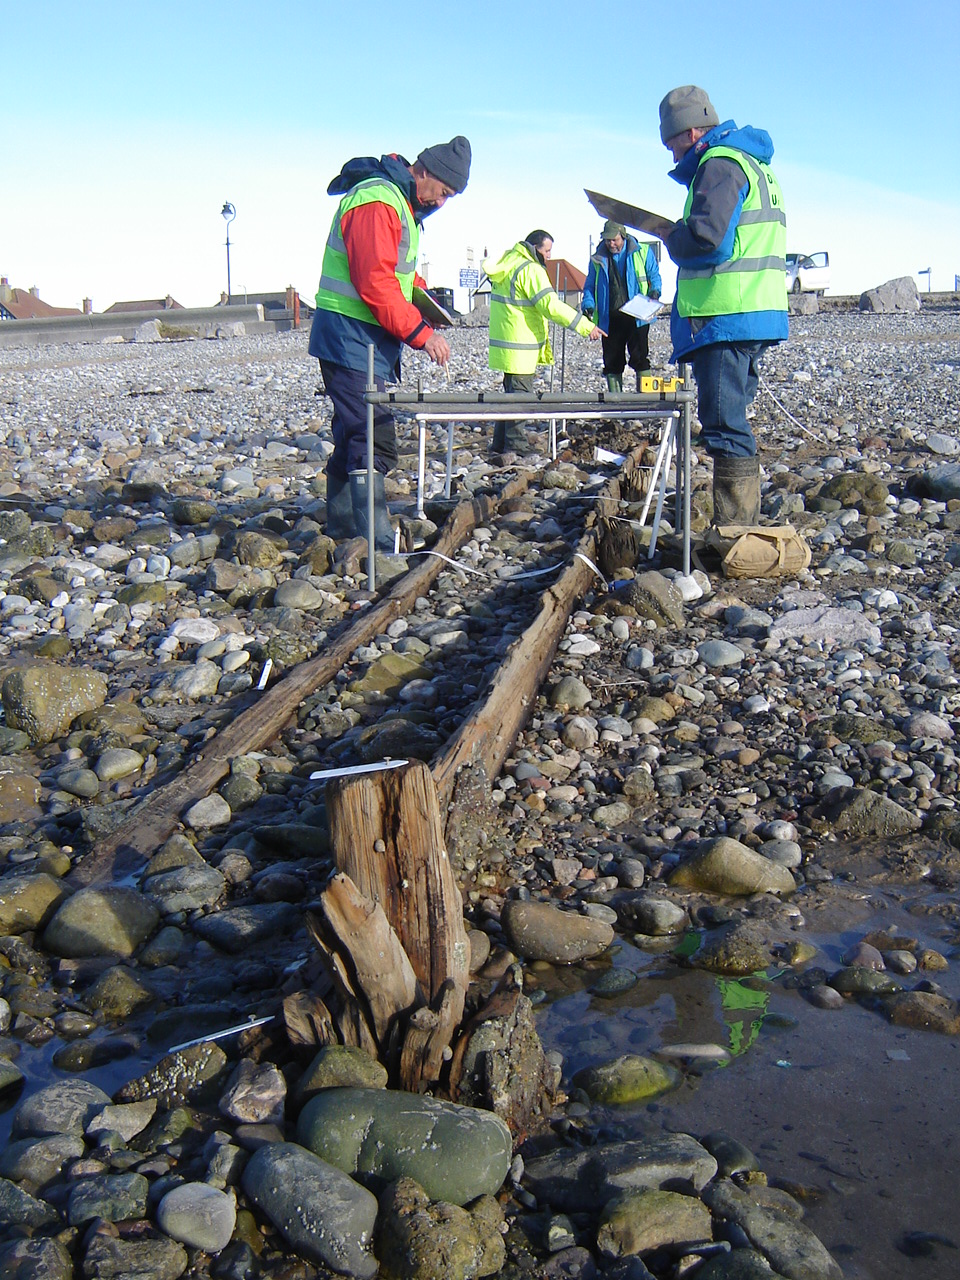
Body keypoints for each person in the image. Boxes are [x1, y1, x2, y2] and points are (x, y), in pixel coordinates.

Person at [309, 136, 471, 546]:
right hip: (350, 335)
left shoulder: (398, 203)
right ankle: (375, 541)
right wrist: (420, 333)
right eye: (443, 192)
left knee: (353, 432)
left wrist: (422, 296)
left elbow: (395, 272)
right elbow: (374, 281)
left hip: (361, 337)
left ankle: (346, 530)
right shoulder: (379, 201)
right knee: (372, 433)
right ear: (424, 172)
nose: (440, 202)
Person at [658, 85, 787, 526]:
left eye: (671, 142)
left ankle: (735, 531)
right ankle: (739, 525)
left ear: (691, 131)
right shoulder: (752, 163)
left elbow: (707, 240)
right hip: (755, 313)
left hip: (726, 317)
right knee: (731, 417)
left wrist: (671, 236)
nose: (672, 154)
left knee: (723, 423)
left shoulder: (719, 164)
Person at [483, 231, 603, 457]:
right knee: (521, 397)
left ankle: (499, 444)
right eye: (547, 251)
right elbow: (551, 306)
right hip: (520, 346)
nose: (548, 256)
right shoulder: (530, 270)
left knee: (510, 394)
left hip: (506, 345)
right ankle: (515, 445)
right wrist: (586, 326)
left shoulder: (509, 263)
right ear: (535, 248)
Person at [582, 219, 662, 392]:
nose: (611, 243)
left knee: (640, 357)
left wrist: (655, 292)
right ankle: (616, 403)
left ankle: (645, 401)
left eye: (615, 239)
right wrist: (588, 304)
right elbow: (589, 285)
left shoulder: (643, 252)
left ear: (623, 237)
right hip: (610, 318)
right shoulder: (597, 259)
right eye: (608, 240)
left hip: (637, 316)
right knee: (612, 362)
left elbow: (654, 275)